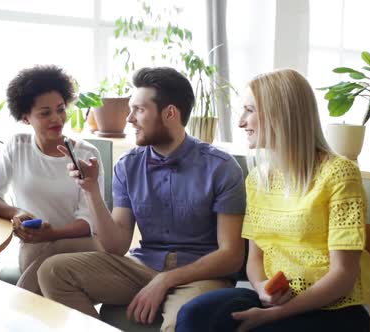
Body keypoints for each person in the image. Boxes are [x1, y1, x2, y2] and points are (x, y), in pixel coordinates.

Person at [38, 67, 247, 332]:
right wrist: (91, 190)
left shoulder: (221, 167)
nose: (129, 119)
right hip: (141, 267)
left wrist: (166, 280)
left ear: (170, 113)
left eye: (138, 110)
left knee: (182, 324)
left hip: (200, 275)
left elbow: (231, 256)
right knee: (53, 272)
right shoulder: (128, 166)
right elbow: (115, 246)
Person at [176, 69, 370, 332]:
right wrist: (263, 291)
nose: (241, 123)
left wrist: (274, 315)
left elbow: (343, 277)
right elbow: (255, 260)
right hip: (274, 299)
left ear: (281, 115)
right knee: (194, 314)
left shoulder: (340, 174)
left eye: (249, 110)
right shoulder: (259, 179)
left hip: (335, 307)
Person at [0, 65, 104, 294]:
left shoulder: (86, 154)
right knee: (38, 255)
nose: (57, 118)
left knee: (43, 255)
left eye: (60, 109)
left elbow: (90, 222)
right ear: (25, 117)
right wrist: (16, 213)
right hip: (33, 245)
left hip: (80, 245)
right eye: (45, 113)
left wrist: (52, 235)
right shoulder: (17, 146)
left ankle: (15, 310)